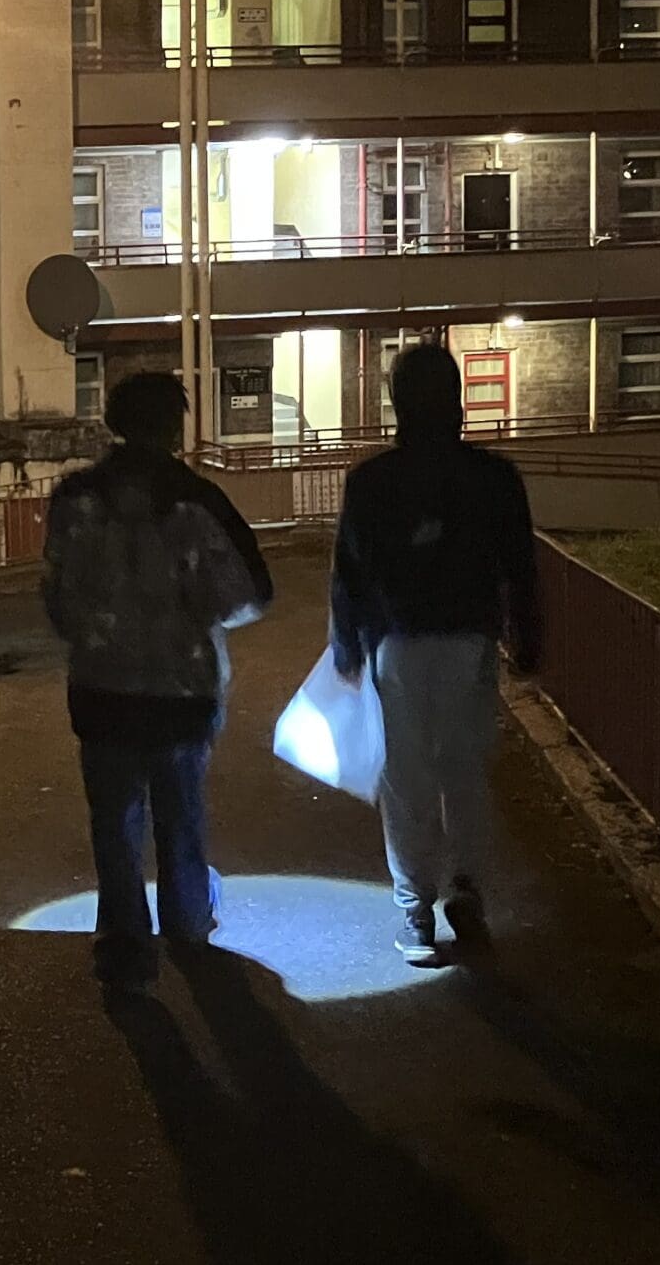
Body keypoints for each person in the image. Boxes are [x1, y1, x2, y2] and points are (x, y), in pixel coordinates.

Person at [43, 372, 273, 995]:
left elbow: (56, 595)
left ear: (114, 420)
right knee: (180, 811)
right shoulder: (197, 498)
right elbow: (249, 592)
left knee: (114, 818)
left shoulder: (74, 498)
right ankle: (187, 923)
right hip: (182, 689)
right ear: (175, 425)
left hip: (101, 686)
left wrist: (94, 629)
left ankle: (123, 939)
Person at [329, 342, 542, 965]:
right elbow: (520, 566)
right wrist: (529, 637)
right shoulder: (494, 478)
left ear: (396, 404)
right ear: (457, 401)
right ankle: (467, 888)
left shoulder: (372, 481)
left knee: (406, 779)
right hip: (470, 640)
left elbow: (350, 572)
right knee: (464, 772)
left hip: (395, 644)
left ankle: (416, 908)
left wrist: (346, 644)